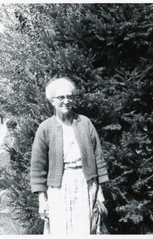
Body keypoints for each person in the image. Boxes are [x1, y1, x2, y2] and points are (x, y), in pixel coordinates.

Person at [30, 77, 109, 235]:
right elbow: (38, 167)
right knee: (61, 229)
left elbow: (98, 157)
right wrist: (42, 199)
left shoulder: (85, 122)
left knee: (87, 228)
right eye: (61, 97)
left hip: (86, 184)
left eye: (69, 97)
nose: (66, 101)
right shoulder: (45, 128)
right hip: (59, 187)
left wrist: (99, 191)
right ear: (52, 101)